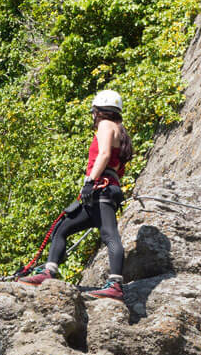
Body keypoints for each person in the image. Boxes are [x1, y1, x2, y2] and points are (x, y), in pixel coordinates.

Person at [21, 90, 132, 299]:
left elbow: (105, 154)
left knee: (109, 234)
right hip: (105, 190)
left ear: (99, 111)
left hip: (101, 189)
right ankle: (48, 271)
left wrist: (90, 182)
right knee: (62, 226)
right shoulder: (121, 130)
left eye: (94, 111)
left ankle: (115, 284)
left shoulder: (106, 124)